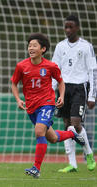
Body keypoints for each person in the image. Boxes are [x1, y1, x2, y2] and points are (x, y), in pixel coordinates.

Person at [11, 33, 85, 178]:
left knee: (39, 132)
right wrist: (18, 99)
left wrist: (61, 96)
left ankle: (36, 169)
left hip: (46, 103)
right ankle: (72, 134)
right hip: (31, 107)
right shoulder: (21, 66)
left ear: (43, 49)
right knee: (52, 138)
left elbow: (61, 81)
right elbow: (14, 83)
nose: (31, 48)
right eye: (29, 45)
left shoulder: (51, 66)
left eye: (34, 46)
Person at [52, 15, 96, 173]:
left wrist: (92, 95)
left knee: (76, 124)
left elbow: (92, 71)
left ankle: (89, 153)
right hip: (63, 89)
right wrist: (52, 90)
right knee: (66, 125)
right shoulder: (60, 46)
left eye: (71, 27)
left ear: (77, 28)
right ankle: (72, 164)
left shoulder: (86, 46)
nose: (68, 30)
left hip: (79, 88)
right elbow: (54, 70)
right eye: (66, 27)